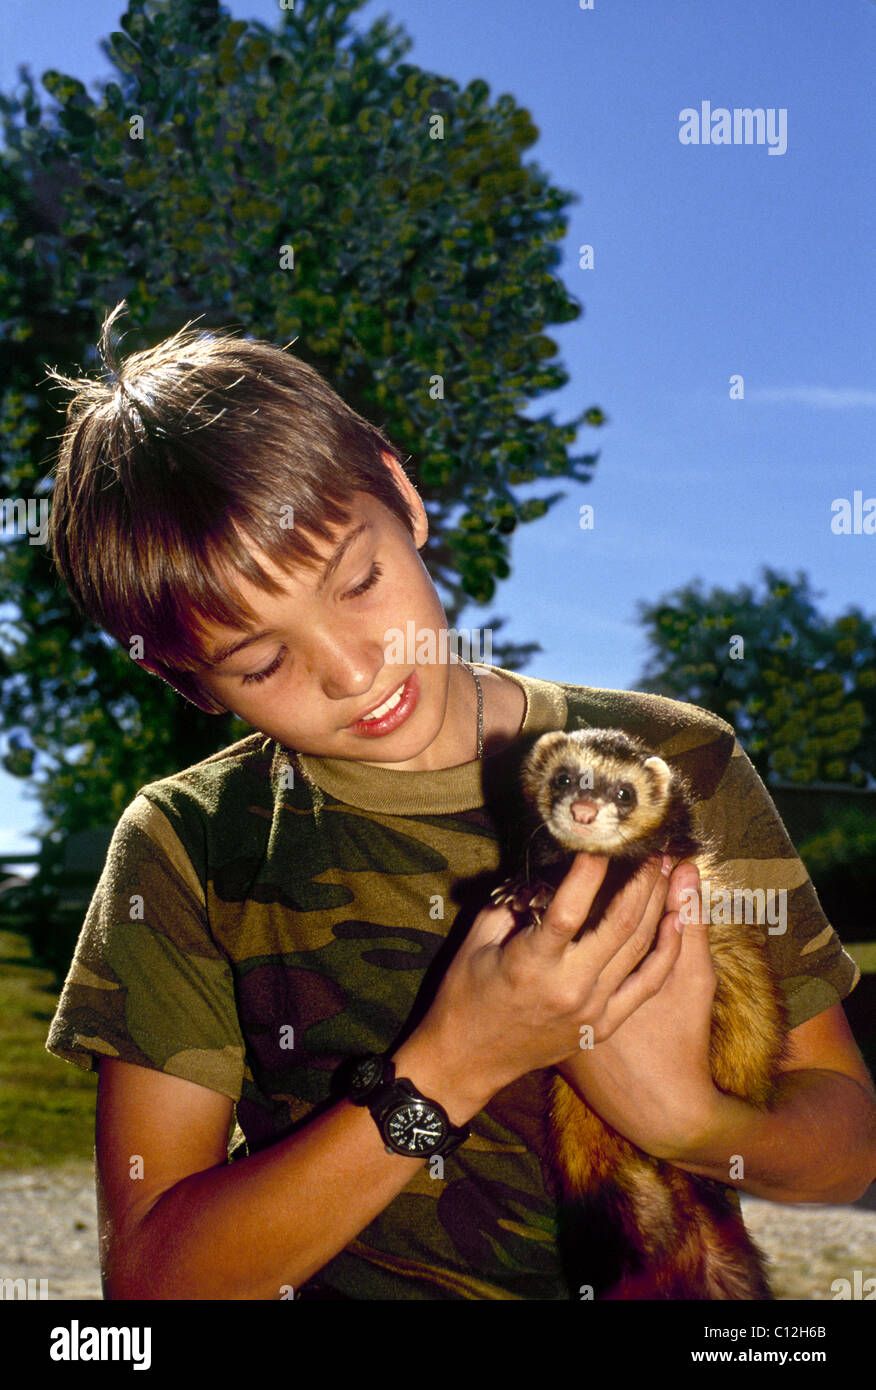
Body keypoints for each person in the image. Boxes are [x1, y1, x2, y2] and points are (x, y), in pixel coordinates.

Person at [45, 308, 876, 1300]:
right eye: (263, 661)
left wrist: (687, 1123)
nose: (355, 668)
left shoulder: (676, 760)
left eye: (358, 579)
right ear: (191, 682)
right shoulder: (185, 846)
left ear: (402, 493)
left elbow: (849, 1148)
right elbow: (151, 1285)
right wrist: (448, 1068)